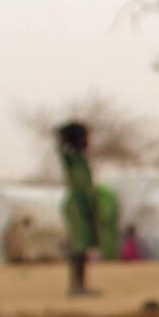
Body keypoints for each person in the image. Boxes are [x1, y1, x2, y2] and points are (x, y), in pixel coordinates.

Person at [56, 121, 100, 297]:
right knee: (78, 246)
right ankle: (76, 287)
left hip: (85, 204)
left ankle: (81, 284)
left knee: (84, 247)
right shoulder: (70, 158)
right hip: (76, 205)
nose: (88, 141)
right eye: (85, 138)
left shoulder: (82, 159)